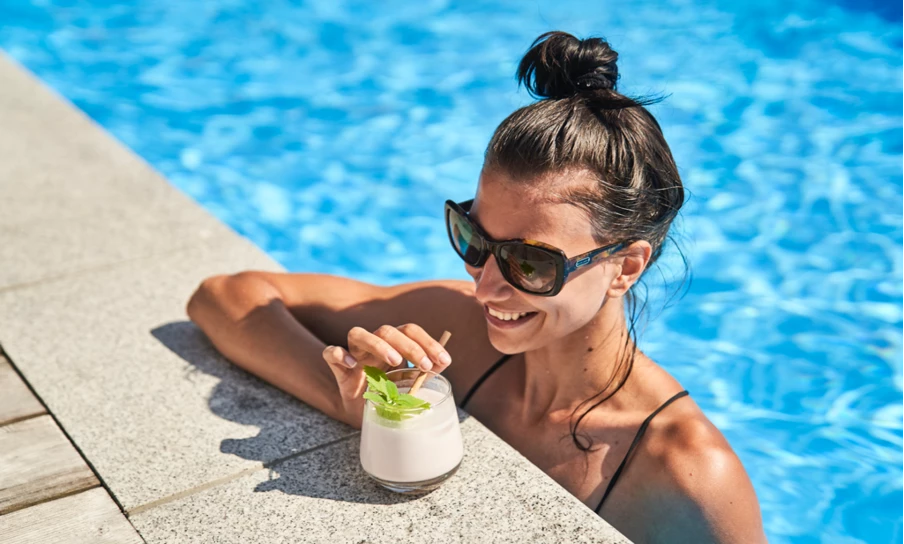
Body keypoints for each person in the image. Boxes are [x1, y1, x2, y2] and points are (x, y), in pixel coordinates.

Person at [187, 31, 767, 543]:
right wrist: (363, 410)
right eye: (473, 237)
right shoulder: (458, 326)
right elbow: (224, 296)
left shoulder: (687, 474)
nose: (486, 287)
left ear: (626, 267)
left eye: (530, 263)